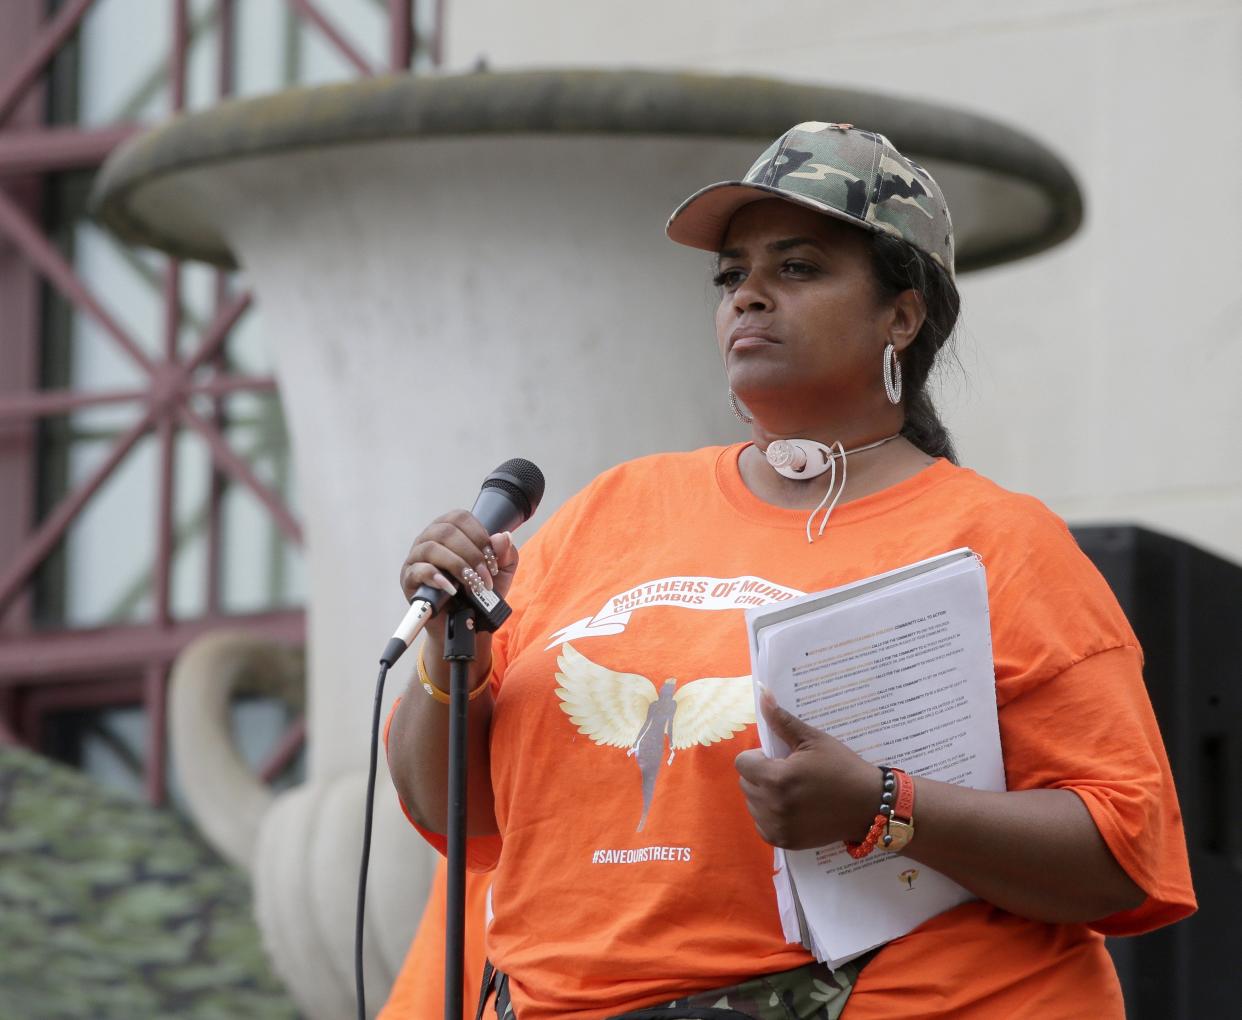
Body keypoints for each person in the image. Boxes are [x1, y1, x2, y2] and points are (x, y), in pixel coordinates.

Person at [385, 122, 1195, 1020]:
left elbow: (1124, 852)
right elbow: (457, 817)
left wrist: (881, 804)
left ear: (902, 314)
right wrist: (445, 660)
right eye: (731, 276)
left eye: (797, 268)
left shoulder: (996, 539)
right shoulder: (613, 509)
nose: (749, 298)